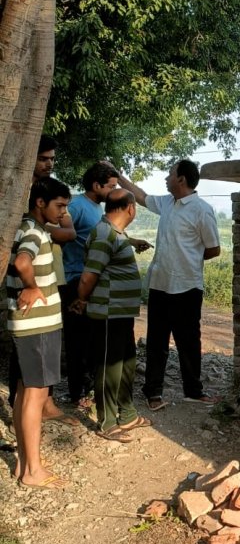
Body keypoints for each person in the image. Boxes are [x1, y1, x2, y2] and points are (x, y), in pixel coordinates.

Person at [111, 160, 220, 410]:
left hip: (188, 286)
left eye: (170, 174)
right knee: (156, 342)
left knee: (189, 342)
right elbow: (141, 196)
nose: (166, 178)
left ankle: (193, 390)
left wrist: (189, 257)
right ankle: (153, 393)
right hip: (160, 284)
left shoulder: (202, 210)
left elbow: (214, 249)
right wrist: (118, 176)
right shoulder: (167, 203)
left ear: (181, 179)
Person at [5, 177, 72, 489]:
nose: (63, 212)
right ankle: (33, 470)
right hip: (37, 326)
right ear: (40, 203)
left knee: (24, 392)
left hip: (28, 325)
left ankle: (24, 462)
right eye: (59, 206)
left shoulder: (25, 227)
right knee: (36, 394)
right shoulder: (33, 230)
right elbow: (21, 262)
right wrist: (32, 287)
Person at [72, 189, 152, 442]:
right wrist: (82, 300)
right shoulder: (104, 233)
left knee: (127, 362)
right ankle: (106, 422)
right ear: (130, 208)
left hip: (121, 313)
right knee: (109, 366)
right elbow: (89, 275)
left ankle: (127, 414)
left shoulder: (114, 233)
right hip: (107, 313)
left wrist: (131, 242)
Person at [6, 136, 76, 421]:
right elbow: (27, 239)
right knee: (25, 353)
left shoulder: (53, 192)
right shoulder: (16, 189)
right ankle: (21, 409)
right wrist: (45, 231)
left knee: (44, 352)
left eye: (52, 159)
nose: (48, 164)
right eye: (43, 158)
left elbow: (69, 231)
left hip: (49, 271)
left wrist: (46, 228)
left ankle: (43, 405)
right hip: (28, 278)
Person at [60, 162, 122, 408]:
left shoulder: (97, 208)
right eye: (111, 186)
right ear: (96, 185)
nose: (114, 191)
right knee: (77, 339)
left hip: (90, 281)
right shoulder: (76, 206)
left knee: (91, 339)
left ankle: (87, 388)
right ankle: (76, 393)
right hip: (76, 279)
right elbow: (59, 233)